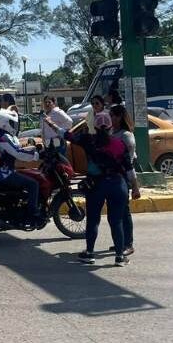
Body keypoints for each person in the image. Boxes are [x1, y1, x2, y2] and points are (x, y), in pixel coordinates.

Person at [54, 112, 139, 267]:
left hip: (96, 185)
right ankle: (120, 256)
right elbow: (129, 168)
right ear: (111, 127)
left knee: (93, 220)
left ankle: (90, 253)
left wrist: (51, 124)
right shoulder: (119, 144)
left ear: (94, 127)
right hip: (117, 185)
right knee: (116, 221)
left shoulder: (88, 140)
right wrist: (135, 187)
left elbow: (67, 135)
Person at [0, 109, 41, 225]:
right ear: (4, 123)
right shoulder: (3, 137)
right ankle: (32, 214)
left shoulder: (0, 134)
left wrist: (33, 149)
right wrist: (36, 156)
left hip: (3, 171)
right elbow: (17, 153)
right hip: (4, 173)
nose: (15, 126)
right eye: (13, 123)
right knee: (33, 184)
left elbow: (17, 149)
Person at [110, 104, 139, 257]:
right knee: (115, 212)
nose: (111, 118)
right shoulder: (112, 132)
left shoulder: (126, 135)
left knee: (124, 212)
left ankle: (128, 243)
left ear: (120, 117)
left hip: (123, 178)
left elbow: (129, 161)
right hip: (112, 178)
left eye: (113, 116)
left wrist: (135, 186)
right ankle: (119, 241)